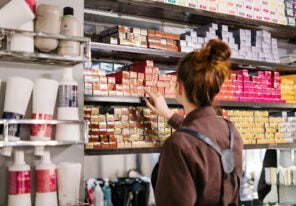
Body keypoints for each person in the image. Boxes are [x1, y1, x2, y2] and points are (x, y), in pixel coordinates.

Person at [144, 39, 243, 206]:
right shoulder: (231, 132)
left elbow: (193, 141)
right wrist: (168, 114)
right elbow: (200, 136)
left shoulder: (178, 145)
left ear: (180, 87)